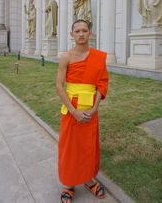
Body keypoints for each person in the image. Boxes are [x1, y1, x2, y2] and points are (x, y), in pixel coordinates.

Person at [56, 19, 108, 203]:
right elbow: (59, 86)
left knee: (88, 147)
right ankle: (69, 184)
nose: (81, 34)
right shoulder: (66, 57)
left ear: (90, 33)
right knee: (70, 147)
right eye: (77, 31)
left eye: (84, 30)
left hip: (90, 110)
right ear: (72, 34)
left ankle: (88, 180)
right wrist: (73, 111)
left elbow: (101, 84)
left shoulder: (98, 57)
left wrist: (94, 108)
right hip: (71, 110)